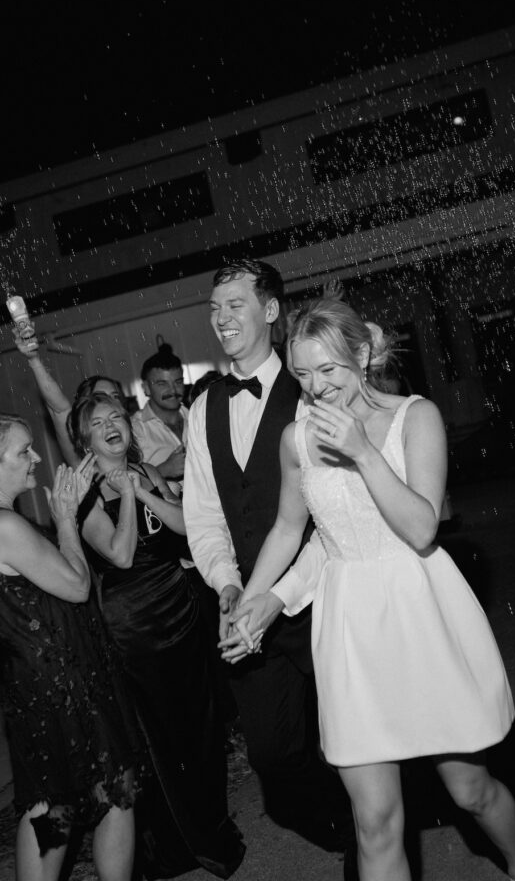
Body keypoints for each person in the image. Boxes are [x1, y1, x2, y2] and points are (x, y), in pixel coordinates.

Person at [225, 297, 515, 881]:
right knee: (373, 820)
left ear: (364, 354)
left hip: (418, 611)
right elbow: (294, 530)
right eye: (301, 374)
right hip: (351, 629)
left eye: (329, 371)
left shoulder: (415, 417)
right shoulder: (297, 439)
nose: (315, 388)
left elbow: (422, 527)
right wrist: (255, 602)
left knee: (470, 789)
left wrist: (363, 452)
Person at [183, 258, 354, 855]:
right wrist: (227, 584)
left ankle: (375, 837)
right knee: (274, 757)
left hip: (319, 597)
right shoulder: (203, 408)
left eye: (235, 304)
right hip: (248, 613)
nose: (221, 317)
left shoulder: (311, 394)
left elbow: (326, 518)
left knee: (356, 738)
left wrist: (272, 595)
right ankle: (352, 826)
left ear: (271, 310)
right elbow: (204, 515)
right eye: (214, 307)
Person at [68, 393, 244, 879]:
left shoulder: (146, 471)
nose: (110, 426)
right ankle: (172, 844)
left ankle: (210, 826)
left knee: (199, 725)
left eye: (116, 418)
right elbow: (120, 555)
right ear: (85, 441)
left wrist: (142, 489)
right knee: (159, 736)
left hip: (181, 614)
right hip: (133, 628)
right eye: (97, 423)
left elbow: (189, 527)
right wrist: (124, 494)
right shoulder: (82, 495)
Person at [0, 412, 139, 881]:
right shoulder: (4, 527)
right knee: (77, 797)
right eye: (23, 451)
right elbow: (77, 585)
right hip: (56, 686)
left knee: (69, 796)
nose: (36, 456)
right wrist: (65, 518)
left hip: (52, 678)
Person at [12, 322, 126, 468]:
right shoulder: (85, 463)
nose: (109, 404)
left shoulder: (140, 433)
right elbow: (60, 409)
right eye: (100, 397)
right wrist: (34, 360)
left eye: (115, 396)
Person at [131, 344, 187, 481]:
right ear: (146, 388)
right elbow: (126, 484)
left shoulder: (198, 417)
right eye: (162, 384)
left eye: (178, 382)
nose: (173, 390)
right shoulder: (135, 429)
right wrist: (163, 471)